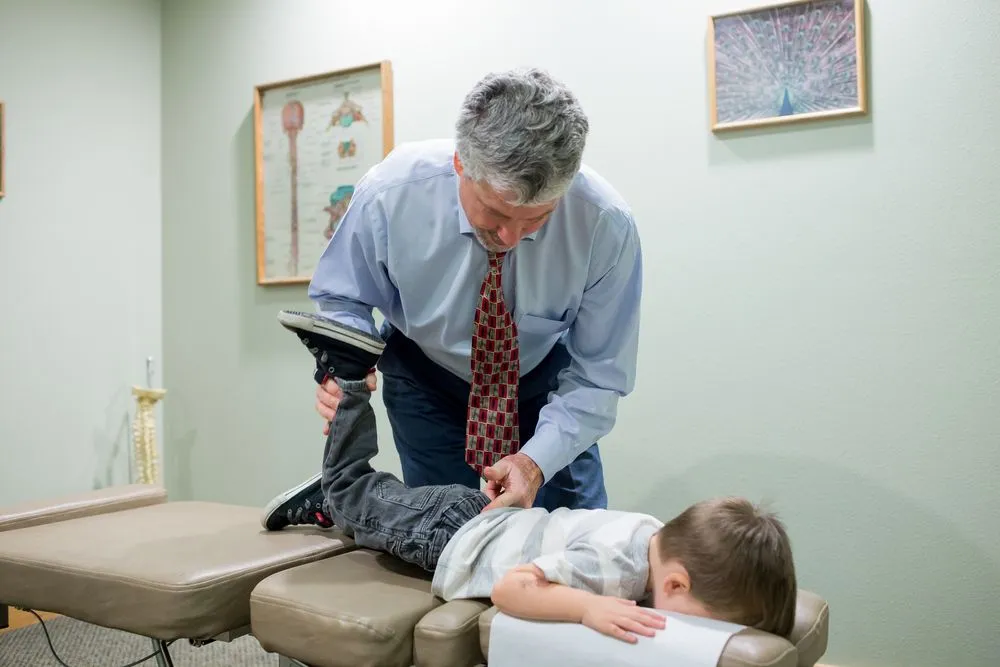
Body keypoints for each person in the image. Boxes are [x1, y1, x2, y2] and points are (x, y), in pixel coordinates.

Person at [262, 312, 798, 645]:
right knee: (355, 492)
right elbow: (511, 589)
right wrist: (587, 607)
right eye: (703, 624)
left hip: (480, 518)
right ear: (676, 583)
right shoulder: (614, 570)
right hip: (452, 536)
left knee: (379, 507)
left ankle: (340, 508)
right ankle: (348, 388)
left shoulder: (653, 530)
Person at [302, 66, 643, 514]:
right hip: (424, 374)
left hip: (544, 382)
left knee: (571, 542)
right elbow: (342, 298)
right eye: (495, 214)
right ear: (461, 164)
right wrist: (342, 371)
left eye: (537, 219)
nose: (510, 238)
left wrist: (535, 462)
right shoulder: (391, 193)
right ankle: (343, 500)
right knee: (447, 536)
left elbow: (599, 374)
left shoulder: (605, 226)